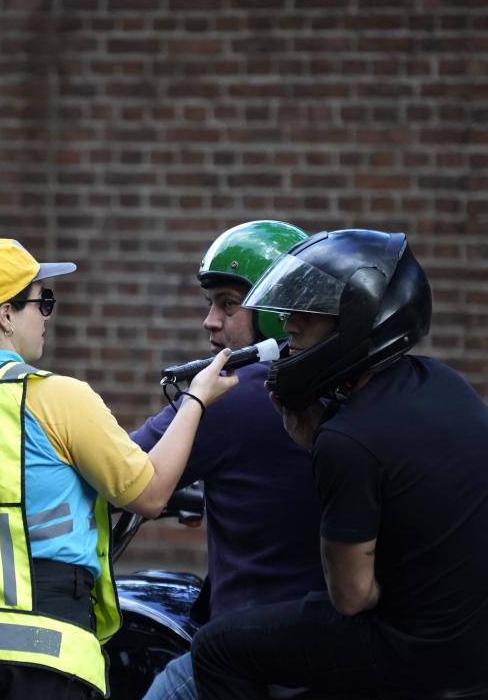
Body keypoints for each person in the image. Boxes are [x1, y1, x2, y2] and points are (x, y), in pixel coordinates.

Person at [190, 229, 488, 699]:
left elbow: (352, 598)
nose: (289, 325)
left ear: (357, 319)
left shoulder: (347, 439)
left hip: (422, 648)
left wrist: (323, 446)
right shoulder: (441, 382)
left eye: (309, 311)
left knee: (217, 648)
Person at [0, 237, 237, 700]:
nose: (46, 316)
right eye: (43, 302)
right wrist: (196, 398)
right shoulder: (56, 399)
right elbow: (151, 493)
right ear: (6, 315)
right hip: (48, 663)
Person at [131, 221, 325, 700]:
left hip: (250, 653)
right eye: (210, 304)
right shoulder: (329, 382)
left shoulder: (238, 391)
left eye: (228, 304)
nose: (210, 321)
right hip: (329, 642)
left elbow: (123, 467)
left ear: (277, 314)